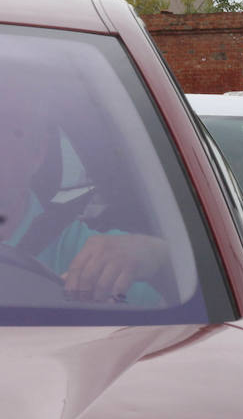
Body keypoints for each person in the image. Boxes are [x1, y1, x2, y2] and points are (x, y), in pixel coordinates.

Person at [0, 90, 170, 304]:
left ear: (36, 154)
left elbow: (185, 309)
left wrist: (157, 255)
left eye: (5, 132)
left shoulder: (94, 256)